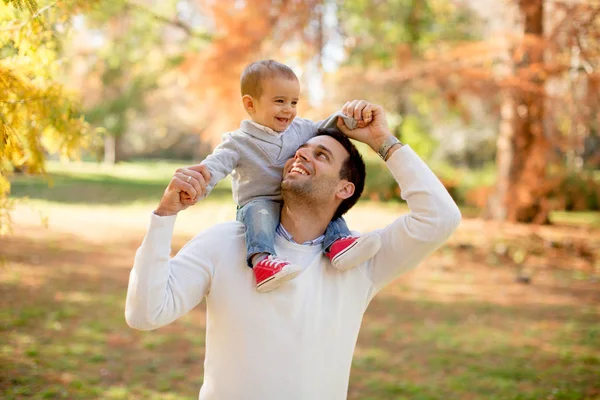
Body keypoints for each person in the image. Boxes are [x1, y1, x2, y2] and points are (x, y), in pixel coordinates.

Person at [125, 100, 462, 400]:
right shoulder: (224, 242)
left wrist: (382, 141)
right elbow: (145, 314)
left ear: (345, 188)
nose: (301, 154)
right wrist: (164, 216)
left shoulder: (360, 259)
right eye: (301, 150)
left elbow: (440, 218)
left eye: (321, 155)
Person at [191, 59, 381, 292]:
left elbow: (327, 127)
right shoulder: (238, 142)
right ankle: (262, 262)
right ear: (250, 104)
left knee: (327, 210)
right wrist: (200, 182)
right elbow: (216, 164)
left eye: (293, 102)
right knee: (259, 215)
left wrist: (351, 119)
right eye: (279, 101)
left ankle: (339, 245)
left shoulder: (300, 129)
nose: (288, 110)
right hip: (257, 202)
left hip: (292, 201)